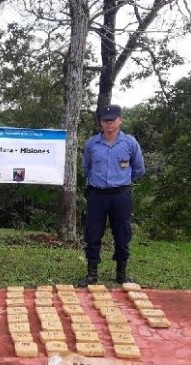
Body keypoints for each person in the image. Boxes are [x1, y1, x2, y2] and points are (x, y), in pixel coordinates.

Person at [77, 104, 146, 287]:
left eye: (112, 120)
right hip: (97, 195)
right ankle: (92, 274)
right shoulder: (92, 143)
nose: (108, 123)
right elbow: (87, 168)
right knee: (92, 234)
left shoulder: (130, 143)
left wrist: (121, 180)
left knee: (122, 234)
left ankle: (121, 274)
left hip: (120, 195)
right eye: (105, 120)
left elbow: (139, 169)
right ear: (101, 122)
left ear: (120, 121)